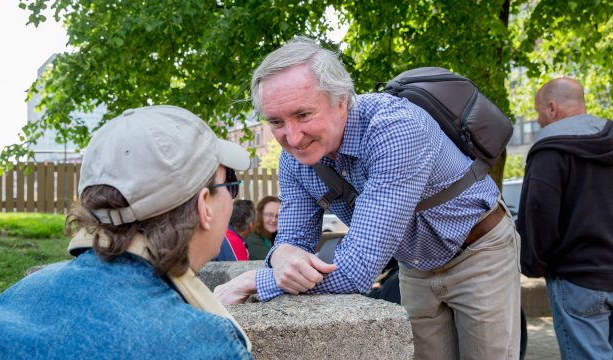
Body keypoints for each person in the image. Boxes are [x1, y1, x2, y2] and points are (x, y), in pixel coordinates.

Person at [214, 36, 521, 359]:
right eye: (276, 122)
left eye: (303, 115)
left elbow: (355, 271)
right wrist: (283, 257)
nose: (291, 137)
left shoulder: (395, 130)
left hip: (478, 249)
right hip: (415, 263)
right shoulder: (294, 160)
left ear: (342, 101)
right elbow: (292, 240)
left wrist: (254, 281)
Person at [0, 105, 253, 359]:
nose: (232, 198)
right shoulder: (207, 346)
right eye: (229, 186)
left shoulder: (9, 307)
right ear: (204, 205)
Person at [517, 77, 613, 359]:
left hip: (576, 279)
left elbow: (538, 217)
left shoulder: (550, 150)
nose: (538, 121)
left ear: (551, 108)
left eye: (537, 113)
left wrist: (533, 265)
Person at [245, 196, 280, 260]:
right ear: (259, 215)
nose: (274, 220)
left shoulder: (276, 236)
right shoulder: (252, 239)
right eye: (269, 215)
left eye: (278, 216)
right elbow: (278, 261)